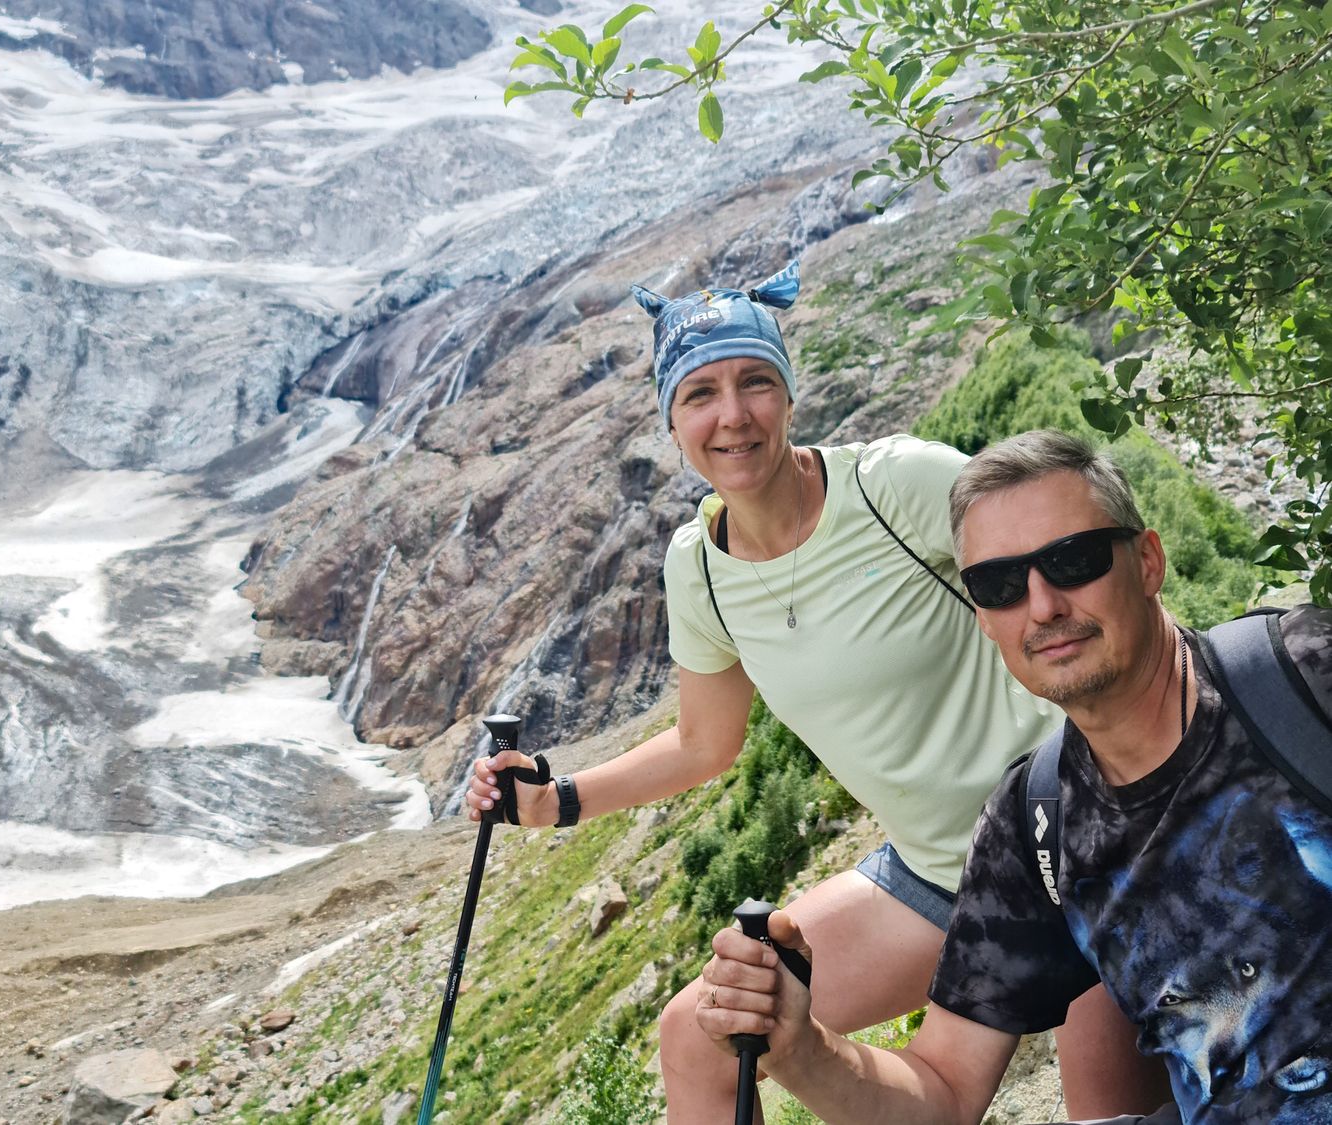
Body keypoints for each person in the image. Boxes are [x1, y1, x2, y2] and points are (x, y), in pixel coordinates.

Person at [466, 267, 1168, 1119]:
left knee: (1110, 1109)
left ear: (789, 395)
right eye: (700, 394)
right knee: (701, 1032)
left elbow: (1079, 579)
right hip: (941, 875)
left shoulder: (894, 487)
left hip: (1089, 846)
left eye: (755, 381)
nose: (734, 414)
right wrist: (556, 801)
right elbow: (704, 742)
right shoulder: (700, 572)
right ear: (671, 421)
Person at [696, 428, 1332, 1123]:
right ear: (983, 618)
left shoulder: (1303, 674)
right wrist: (802, 1048)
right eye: (1000, 585)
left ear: (1148, 561)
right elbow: (944, 1090)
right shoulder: (1034, 825)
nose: (1043, 606)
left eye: (1074, 560)